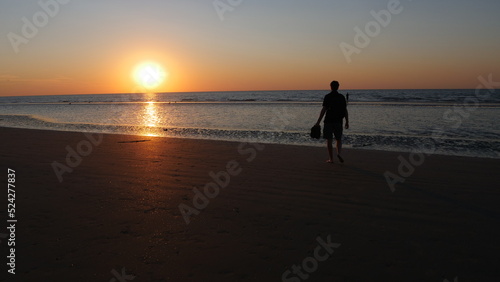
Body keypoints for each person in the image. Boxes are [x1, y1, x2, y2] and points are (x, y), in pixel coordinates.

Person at [315, 81, 349, 163]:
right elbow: (345, 110)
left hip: (328, 120)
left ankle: (331, 159)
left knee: (329, 140)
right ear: (338, 87)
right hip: (338, 121)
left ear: (331, 87)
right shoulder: (341, 97)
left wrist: (318, 122)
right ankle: (338, 153)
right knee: (338, 139)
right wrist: (347, 121)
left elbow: (324, 110)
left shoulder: (327, 96)